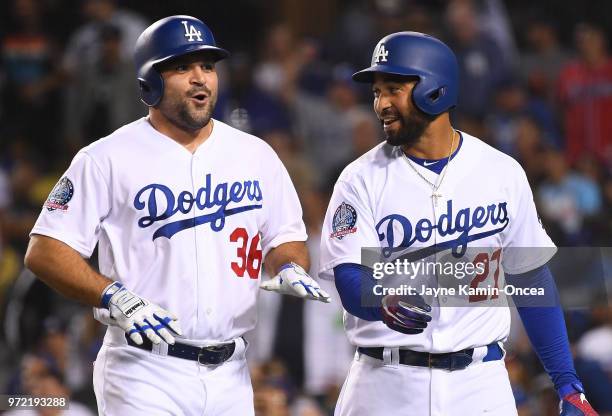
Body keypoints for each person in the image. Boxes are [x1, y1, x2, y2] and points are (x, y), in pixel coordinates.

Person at [24, 15, 329, 416]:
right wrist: (115, 296)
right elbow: (44, 251)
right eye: (183, 67)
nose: (200, 77)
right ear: (150, 82)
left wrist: (289, 266)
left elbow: (284, 239)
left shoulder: (255, 155)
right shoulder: (106, 157)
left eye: (207, 66)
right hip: (142, 369)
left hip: (232, 372)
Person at [319, 32, 599, 415]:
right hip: (385, 382)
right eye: (377, 92)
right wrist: (381, 299)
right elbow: (349, 277)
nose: (380, 103)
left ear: (434, 89)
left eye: (393, 89)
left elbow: (530, 278)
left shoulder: (501, 172)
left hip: (480, 385)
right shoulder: (359, 178)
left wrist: (567, 384)